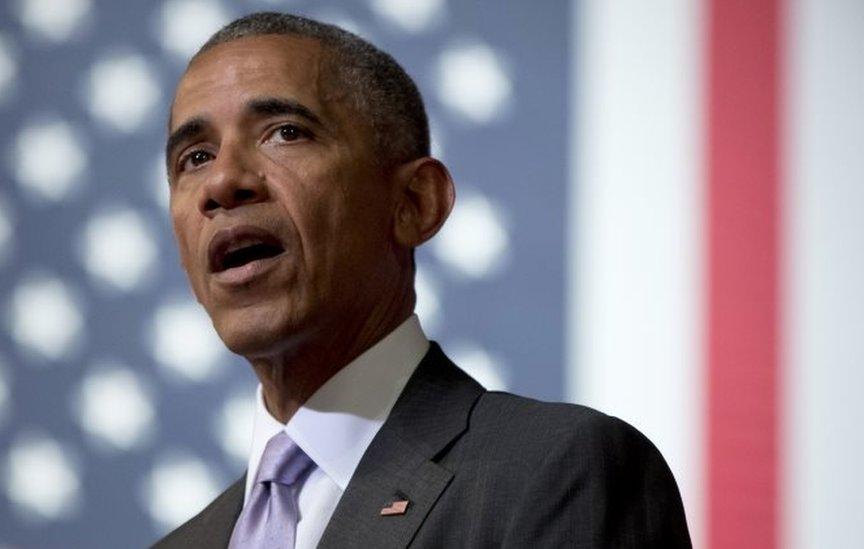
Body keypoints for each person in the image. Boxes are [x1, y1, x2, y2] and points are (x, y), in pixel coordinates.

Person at [152, 11, 690, 549]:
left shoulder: (557, 473)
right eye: (194, 158)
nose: (222, 182)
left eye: (286, 133)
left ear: (415, 203)